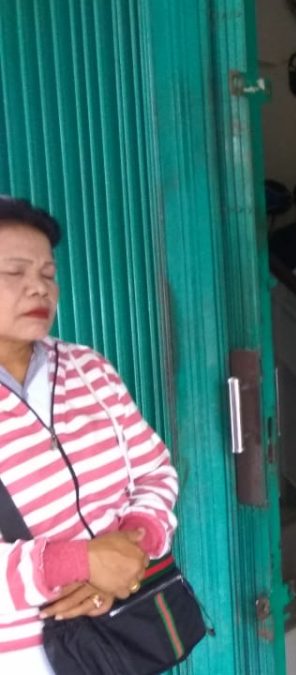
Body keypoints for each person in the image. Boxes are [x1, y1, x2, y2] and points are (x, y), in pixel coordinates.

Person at [0, 197, 179, 673]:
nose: (39, 287)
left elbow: (155, 472)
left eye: (48, 273)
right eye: (14, 272)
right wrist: (80, 562)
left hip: (115, 639)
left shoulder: (88, 368)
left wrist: (128, 554)